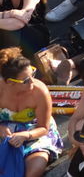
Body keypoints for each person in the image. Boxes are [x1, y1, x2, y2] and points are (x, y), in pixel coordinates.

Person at [0, 45, 61, 174]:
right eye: (26, 80)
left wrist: (25, 135)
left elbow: (44, 128)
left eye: (33, 73)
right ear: (10, 82)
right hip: (5, 133)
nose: (33, 82)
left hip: (34, 131)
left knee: (33, 171)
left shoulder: (39, 91)